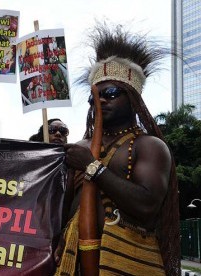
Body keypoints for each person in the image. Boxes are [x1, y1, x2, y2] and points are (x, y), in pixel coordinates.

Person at [55, 24, 179, 275]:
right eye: (94, 97)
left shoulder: (150, 146)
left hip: (129, 263)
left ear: (132, 97)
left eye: (110, 93)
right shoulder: (79, 148)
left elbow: (146, 207)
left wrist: (92, 167)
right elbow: (60, 207)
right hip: (75, 262)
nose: (100, 100)